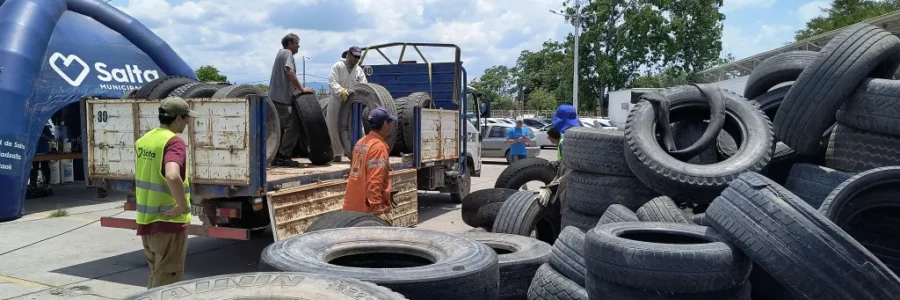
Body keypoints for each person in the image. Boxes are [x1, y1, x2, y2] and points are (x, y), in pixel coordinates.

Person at [133, 97, 197, 289]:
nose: (188, 122)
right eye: (186, 118)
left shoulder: (145, 140)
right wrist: (182, 205)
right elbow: (172, 175)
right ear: (178, 118)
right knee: (168, 284)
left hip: (147, 221)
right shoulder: (174, 142)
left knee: (156, 278)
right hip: (168, 223)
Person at [268, 33, 315, 167]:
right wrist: (301, 89)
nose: (298, 46)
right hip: (281, 99)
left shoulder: (279, 54)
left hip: (274, 98)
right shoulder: (287, 53)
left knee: (278, 128)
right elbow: (289, 72)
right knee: (293, 126)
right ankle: (283, 156)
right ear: (290, 43)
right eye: (296, 43)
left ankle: (276, 154)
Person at [343, 107, 396, 223]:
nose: (392, 125)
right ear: (384, 124)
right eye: (390, 122)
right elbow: (374, 180)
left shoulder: (361, 143)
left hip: (352, 207)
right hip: (367, 212)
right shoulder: (378, 148)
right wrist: (377, 210)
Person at [327, 46, 368, 162]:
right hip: (337, 101)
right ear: (348, 55)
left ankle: (360, 152)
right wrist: (341, 91)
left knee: (358, 127)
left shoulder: (359, 70)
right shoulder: (338, 66)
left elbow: (363, 84)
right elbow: (332, 81)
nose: (356, 59)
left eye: (358, 57)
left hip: (352, 103)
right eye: (354, 56)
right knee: (333, 127)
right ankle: (337, 154)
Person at [538, 104, 581, 207]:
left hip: (573, 185)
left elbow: (570, 169)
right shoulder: (574, 133)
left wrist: (551, 188)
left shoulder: (571, 139)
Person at [30, 121, 54, 187]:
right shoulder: (32, 128)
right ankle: (33, 184)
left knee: (45, 167)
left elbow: (50, 139)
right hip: (35, 152)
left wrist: (43, 136)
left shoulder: (45, 128)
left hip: (44, 152)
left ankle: (47, 182)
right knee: (34, 168)